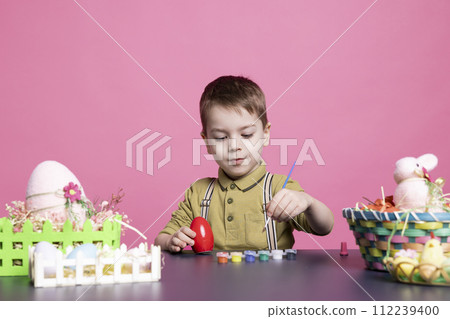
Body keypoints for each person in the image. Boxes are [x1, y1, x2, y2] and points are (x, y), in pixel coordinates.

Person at [155, 75, 333, 252]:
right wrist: (172, 240)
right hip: (212, 280)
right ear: (207, 142)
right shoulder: (199, 193)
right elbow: (159, 240)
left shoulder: (280, 187)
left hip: (272, 280)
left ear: (265, 134)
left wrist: (308, 202)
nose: (235, 146)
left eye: (246, 135)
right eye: (221, 137)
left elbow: (324, 227)